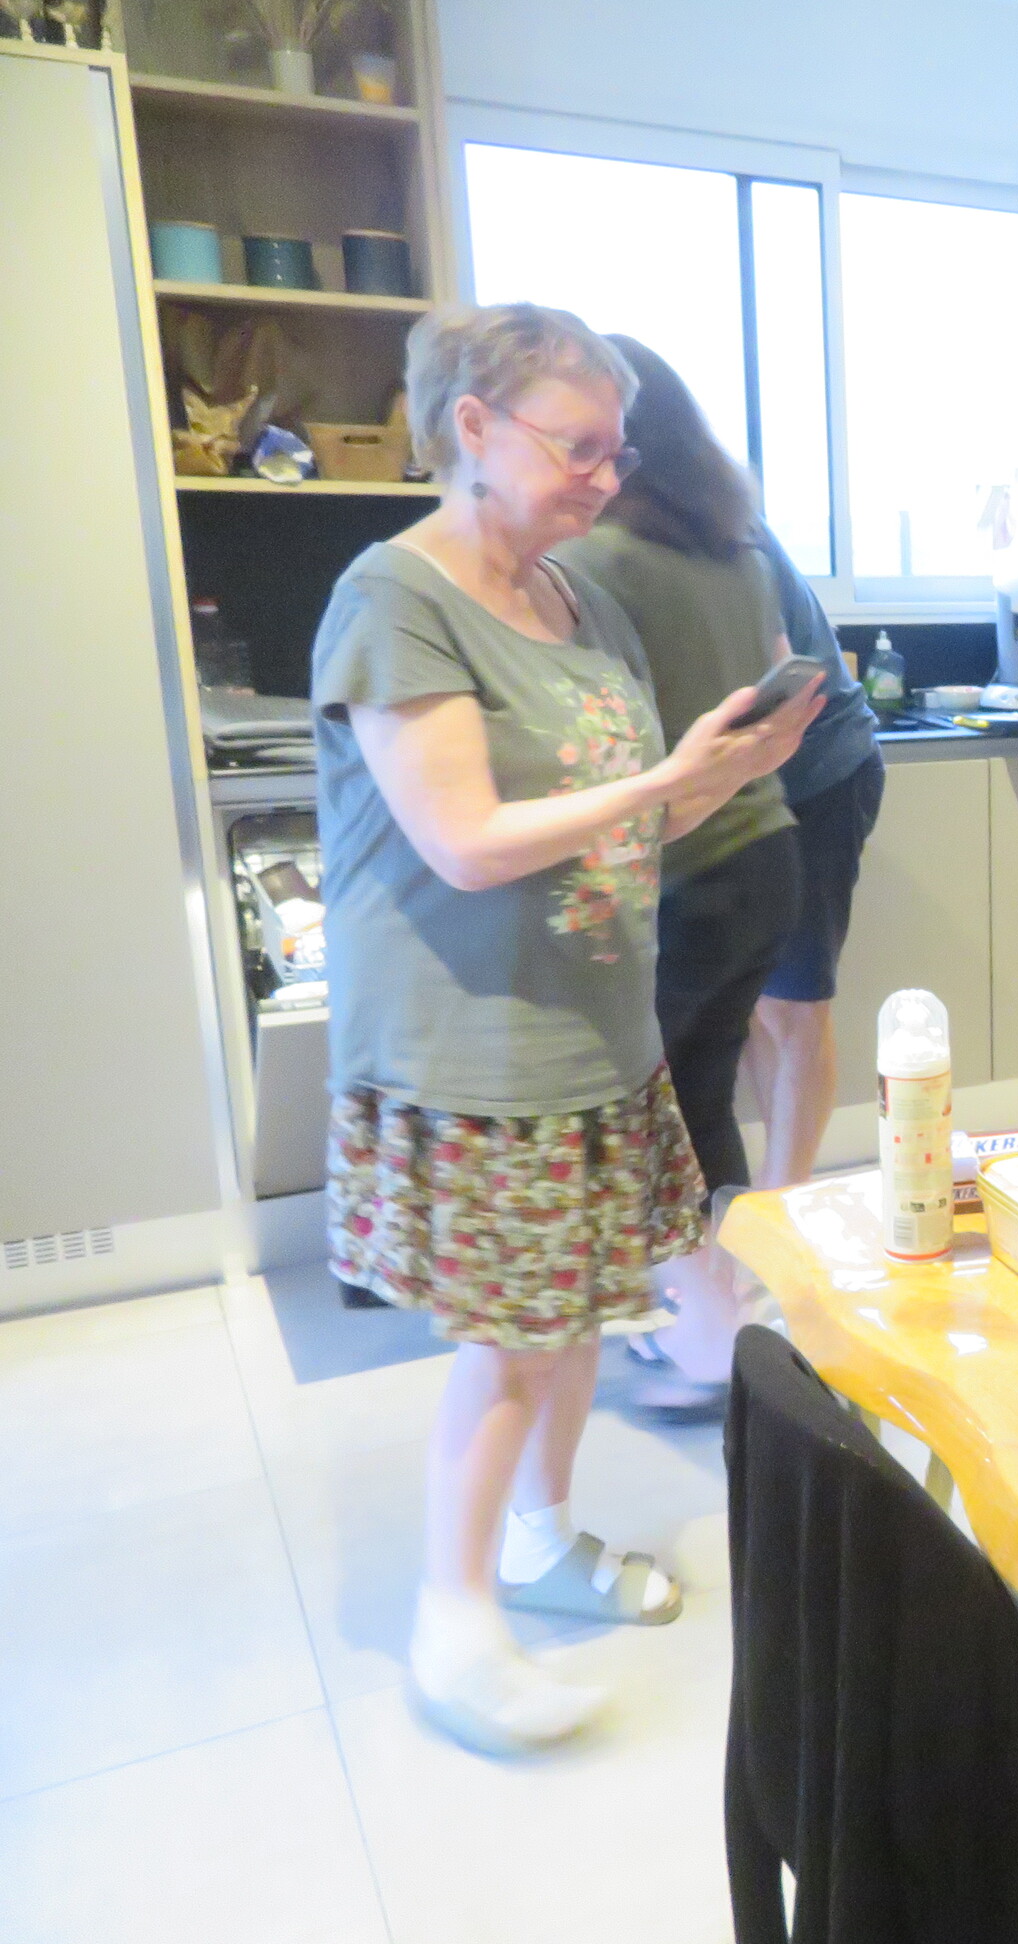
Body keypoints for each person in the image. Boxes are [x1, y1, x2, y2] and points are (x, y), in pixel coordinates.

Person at [314, 302, 817, 1751]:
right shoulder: (396, 600)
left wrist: (733, 771)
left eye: (618, 451)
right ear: (473, 427)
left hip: (600, 1035)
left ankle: (538, 1540)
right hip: (476, 1049)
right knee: (511, 1343)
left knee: (583, 1312)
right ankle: (453, 1615)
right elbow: (466, 841)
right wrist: (664, 783)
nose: (605, 478)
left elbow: (626, 823)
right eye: (577, 447)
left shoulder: (573, 599)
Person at [557, 335, 822, 1417]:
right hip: (763, 857)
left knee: (655, 1117)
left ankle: (708, 1331)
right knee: (700, 1097)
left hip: (680, 868)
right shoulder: (737, 552)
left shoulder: (593, 564)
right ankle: (723, 1314)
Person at [740, 529, 885, 1192]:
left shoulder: (721, 531)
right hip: (752, 788)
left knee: (794, 1008)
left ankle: (784, 1203)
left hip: (819, 777)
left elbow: (780, 676)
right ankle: (780, 1196)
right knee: (755, 1006)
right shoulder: (680, 521)